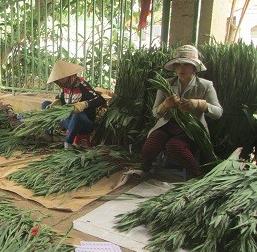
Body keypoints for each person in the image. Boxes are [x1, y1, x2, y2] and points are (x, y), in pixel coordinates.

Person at [116, 45, 223, 189]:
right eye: (178, 65)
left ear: (194, 67)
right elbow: (155, 113)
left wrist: (199, 104)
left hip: (191, 130)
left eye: (186, 64)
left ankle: (195, 175)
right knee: (151, 143)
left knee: (174, 146)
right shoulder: (166, 84)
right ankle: (144, 169)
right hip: (168, 125)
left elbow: (218, 112)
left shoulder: (205, 86)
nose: (181, 68)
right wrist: (165, 105)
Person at [42, 60, 105, 149]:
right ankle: (47, 134)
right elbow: (62, 100)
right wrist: (55, 104)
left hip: (84, 125)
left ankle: (68, 143)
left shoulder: (82, 85)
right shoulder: (65, 87)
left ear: (70, 77)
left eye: (62, 79)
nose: (60, 82)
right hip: (69, 122)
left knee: (77, 114)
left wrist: (84, 104)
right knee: (45, 104)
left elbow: (100, 100)